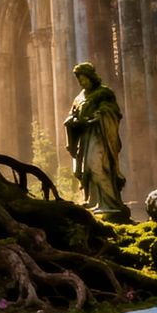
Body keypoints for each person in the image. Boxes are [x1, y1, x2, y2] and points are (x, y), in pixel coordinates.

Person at [64, 62, 128, 219]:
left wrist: (99, 117)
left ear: (91, 77)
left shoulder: (103, 93)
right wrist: (72, 121)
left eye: (84, 79)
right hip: (85, 137)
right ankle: (93, 201)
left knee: (96, 166)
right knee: (85, 171)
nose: (82, 83)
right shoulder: (79, 98)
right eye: (80, 80)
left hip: (100, 135)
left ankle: (111, 203)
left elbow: (112, 111)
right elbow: (72, 115)